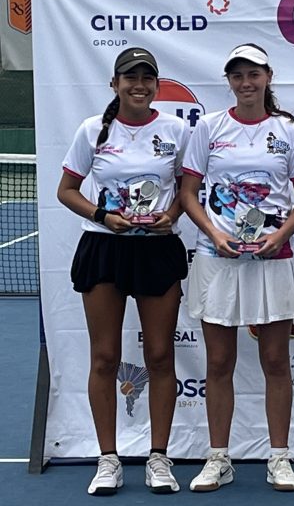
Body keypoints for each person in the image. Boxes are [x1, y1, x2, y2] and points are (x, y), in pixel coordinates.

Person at [57, 47, 190, 495]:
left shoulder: (175, 130)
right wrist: (102, 215)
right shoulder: (92, 129)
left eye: (147, 78)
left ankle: (159, 458)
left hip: (157, 250)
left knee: (160, 356)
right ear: (115, 84)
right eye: (130, 78)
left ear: (156, 85)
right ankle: (108, 459)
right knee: (105, 357)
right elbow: (66, 190)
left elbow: (188, 190)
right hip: (104, 248)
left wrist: (171, 215)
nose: (139, 85)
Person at [180, 43, 294, 493]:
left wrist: (280, 235)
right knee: (219, 362)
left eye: (253, 74)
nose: (246, 82)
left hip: (273, 259)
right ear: (230, 81)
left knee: (275, 360)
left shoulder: (289, 130)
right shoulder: (209, 127)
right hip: (218, 258)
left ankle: (279, 457)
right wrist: (214, 234)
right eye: (237, 75)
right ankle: (219, 457)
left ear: (267, 77)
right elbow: (188, 193)